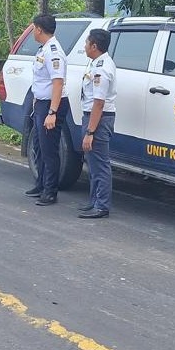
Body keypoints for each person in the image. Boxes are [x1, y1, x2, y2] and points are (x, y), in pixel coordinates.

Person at [23, 14, 69, 206]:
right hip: (41, 103)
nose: (33, 31)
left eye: (33, 28)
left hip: (52, 104)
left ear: (39, 29)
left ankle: (50, 191)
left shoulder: (53, 51)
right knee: (40, 146)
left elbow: (57, 83)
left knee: (50, 149)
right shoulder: (43, 49)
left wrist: (52, 112)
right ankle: (41, 183)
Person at [77, 29, 117, 219]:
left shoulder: (101, 68)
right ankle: (94, 201)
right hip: (92, 116)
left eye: (86, 43)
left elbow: (99, 103)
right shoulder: (95, 63)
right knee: (92, 162)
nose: (84, 46)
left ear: (94, 46)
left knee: (100, 163)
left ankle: (101, 206)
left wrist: (90, 132)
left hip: (98, 120)